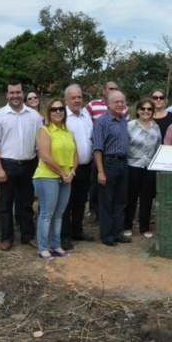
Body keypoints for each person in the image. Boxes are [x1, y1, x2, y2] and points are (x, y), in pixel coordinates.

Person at [0, 79, 42, 251]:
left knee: (26, 204)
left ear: (23, 93)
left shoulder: (34, 116)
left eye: (18, 92)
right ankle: (7, 238)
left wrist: (40, 166)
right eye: (12, 92)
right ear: (6, 95)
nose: (15, 95)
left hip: (29, 165)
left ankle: (27, 236)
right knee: (5, 204)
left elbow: (40, 143)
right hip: (7, 165)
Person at [33, 99, 78, 259]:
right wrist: (62, 172)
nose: (58, 112)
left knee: (59, 214)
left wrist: (72, 172)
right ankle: (43, 248)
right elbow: (45, 156)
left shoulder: (68, 132)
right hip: (47, 177)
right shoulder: (44, 131)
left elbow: (75, 154)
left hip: (66, 177)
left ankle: (56, 245)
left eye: (61, 109)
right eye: (54, 109)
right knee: (46, 214)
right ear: (48, 112)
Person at [93, 90, 131, 246]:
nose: (120, 104)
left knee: (120, 200)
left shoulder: (122, 119)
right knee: (107, 201)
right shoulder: (102, 122)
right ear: (108, 103)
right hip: (108, 163)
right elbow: (97, 149)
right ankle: (106, 234)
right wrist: (101, 171)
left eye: (122, 101)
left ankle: (117, 232)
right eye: (116, 101)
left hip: (123, 163)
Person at [61, 84, 95, 250]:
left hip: (86, 166)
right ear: (66, 99)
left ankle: (77, 230)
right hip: (68, 168)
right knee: (66, 203)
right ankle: (65, 236)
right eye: (73, 97)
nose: (77, 100)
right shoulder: (62, 117)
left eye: (79, 97)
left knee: (81, 202)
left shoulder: (86, 115)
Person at [124, 98, 162, 238]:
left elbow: (158, 146)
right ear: (138, 110)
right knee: (131, 197)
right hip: (133, 165)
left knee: (147, 199)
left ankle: (144, 227)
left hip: (149, 167)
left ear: (153, 111)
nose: (146, 111)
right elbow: (125, 145)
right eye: (143, 108)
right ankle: (127, 226)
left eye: (149, 109)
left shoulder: (155, 127)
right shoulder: (130, 125)